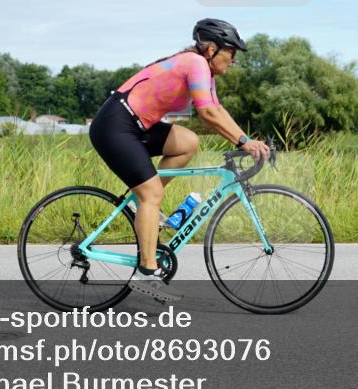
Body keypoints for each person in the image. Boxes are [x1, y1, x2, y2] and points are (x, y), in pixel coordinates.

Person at [88, 19, 270, 302]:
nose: (234, 60)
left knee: (188, 142)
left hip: (137, 126)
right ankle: (146, 272)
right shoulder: (195, 63)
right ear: (211, 49)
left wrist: (246, 139)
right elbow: (207, 114)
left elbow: (217, 110)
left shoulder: (205, 71)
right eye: (231, 52)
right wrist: (244, 143)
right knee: (152, 194)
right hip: (115, 126)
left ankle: (142, 206)